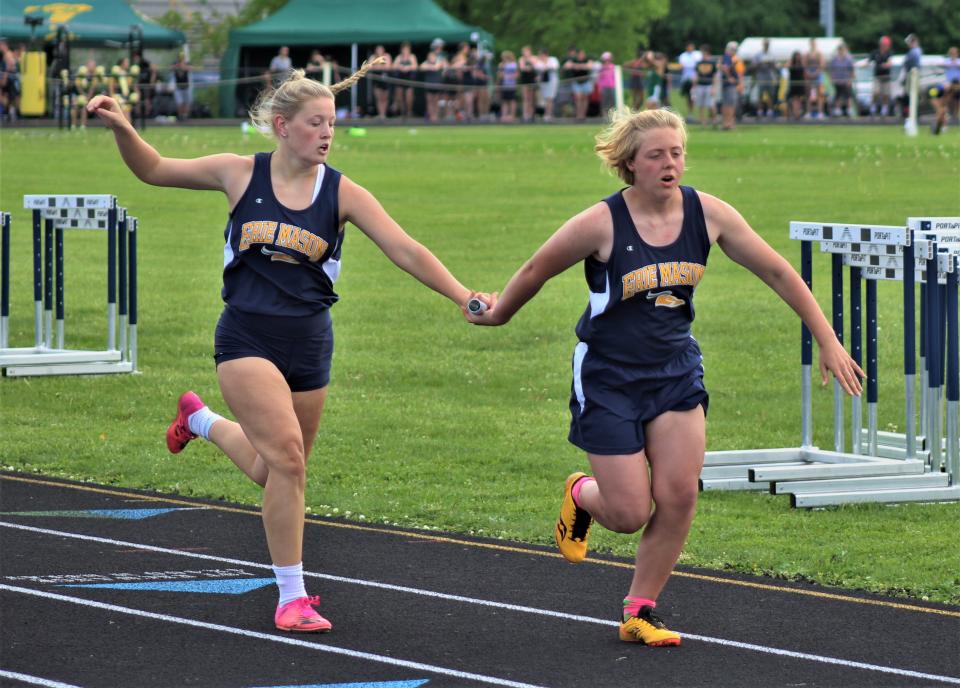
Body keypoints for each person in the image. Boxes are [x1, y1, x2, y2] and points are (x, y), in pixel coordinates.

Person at [86, 63, 484, 633]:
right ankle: (291, 596)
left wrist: (463, 296)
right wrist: (123, 126)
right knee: (290, 462)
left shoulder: (342, 190)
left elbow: (406, 249)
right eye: (316, 122)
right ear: (281, 127)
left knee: (270, 469)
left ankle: (198, 421)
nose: (327, 133)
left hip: (311, 342)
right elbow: (153, 170)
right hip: (247, 337)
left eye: (332, 123)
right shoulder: (238, 173)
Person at [465, 108, 863, 646]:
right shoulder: (601, 223)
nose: (670, 163)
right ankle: (582, 494)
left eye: (676, 152)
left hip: (675, 373)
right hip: (609, 377)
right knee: (629, 513)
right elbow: (537, 270)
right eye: (656, 154)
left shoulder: (709, 213)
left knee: (678, 496)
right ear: (631, 163)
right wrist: (498, 312)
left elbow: (776, 269)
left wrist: (827, 338)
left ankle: (640, 609)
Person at [752, 38, 778, 118]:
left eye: (768, 44)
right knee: (760, 93)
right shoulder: (758, 54)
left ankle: (770, 110)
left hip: (769, 75)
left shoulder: (772, 54)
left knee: (770, 94)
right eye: (765, 44)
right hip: (761, 75)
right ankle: (760, 111)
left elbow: (775, 67)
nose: (767, 45)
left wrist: (771, 64)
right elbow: (753, 66)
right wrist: (760, 63)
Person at [391, 42, 418, 120]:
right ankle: (402, 113)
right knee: (399, 97)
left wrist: (408, 68)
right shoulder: (399, 57)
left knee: (409, 97)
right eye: (404, 49)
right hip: (400, 79)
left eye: (407, 49)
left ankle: (409, 112)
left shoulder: (412, 57)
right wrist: (400, 67)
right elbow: (393, 66)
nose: (405, 51)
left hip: (409, 79)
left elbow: (415, 66)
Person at [692, 44, 717, 126]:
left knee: (711, 104)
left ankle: (714, 119)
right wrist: (694, 85)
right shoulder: (698, 63)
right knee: (701, 104)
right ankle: (703, 121)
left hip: (709, 85)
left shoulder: (712, 63)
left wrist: (714, 87)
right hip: (700, 85)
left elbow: (714, 76)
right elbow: (696, 74)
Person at [828, 44, 855, 117]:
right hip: (838, 80)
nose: (841, 51)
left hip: (846, 80)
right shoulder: (835, 59)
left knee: (848, 96)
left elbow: (852, 70)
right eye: (840, 50)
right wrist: (832, 78)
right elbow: (832, 70)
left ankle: (849, 110)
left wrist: (850, 80)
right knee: (838, 95)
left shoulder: (849, 59)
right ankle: (838, 110)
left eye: (842, 49)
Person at [870, 36, 893, 117]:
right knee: (876, 92)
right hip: (877, 76)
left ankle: (884, 108)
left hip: (886, 76)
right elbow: (869, 61)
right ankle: (873, 106)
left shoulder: (888, 53)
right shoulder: (875, 52)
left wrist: (886, 65)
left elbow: (890, 63)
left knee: (886, 94)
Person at [368, 45, 392, 120]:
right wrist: (380, 66)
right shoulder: (373, 57)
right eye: (378, 49)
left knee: (385, 97)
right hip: (376, 79)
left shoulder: (387, 56)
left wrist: (377, 66)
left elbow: (388, 66)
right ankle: (381, 114)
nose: (379, 51)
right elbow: (370, 66)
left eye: (381, 49)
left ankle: (384, 114)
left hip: (385, 79)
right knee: (379, 97)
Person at [719, 41, 740, 129]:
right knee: (730, 104)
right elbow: (725, 68)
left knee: (726, 104)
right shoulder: (728, 57)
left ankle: (725, 123)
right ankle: (729, 123)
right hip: (729, 85)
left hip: (725, 84)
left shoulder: (725, 57)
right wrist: (729, 78)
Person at [677, 42, 701, 115]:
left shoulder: (697, 54)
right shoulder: (683, 56)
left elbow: (699, 66)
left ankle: (692, 111)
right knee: (688, 96)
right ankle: (690, 112)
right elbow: (681, 66)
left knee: (693, 95)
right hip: (686, 78)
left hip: (695, 78)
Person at [537, 47, 560, 122]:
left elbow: (555, 67)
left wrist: (546, 66)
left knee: (550, 98)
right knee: (545, 98)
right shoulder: (539, 61)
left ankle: (548, 114)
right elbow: (538, 68)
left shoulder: (553, 59)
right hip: (543, 82)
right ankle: (547, 114)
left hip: (552, 81)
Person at [171, 53, 192, 121]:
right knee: (179, 102)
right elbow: (172, 68)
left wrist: (183, 66)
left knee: (186, 102)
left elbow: (189, 69)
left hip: (186, 86)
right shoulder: (175, 63)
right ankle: (180, 116)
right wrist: (178, 66)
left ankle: (185, 116)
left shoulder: (187, 63)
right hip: (178, 87)